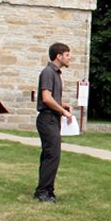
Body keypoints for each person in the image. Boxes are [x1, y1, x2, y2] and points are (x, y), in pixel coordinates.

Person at [34, 42, 74, 202]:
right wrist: (63, 111)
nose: (70, 58)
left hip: (52, 118)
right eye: (67, 55)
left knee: (51, 155)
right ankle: (43, 192)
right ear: (59, 56)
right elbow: (46, 98)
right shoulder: (48, 72)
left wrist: (63, 104)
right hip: (47, 119)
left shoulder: (56, 74)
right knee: (52, 155)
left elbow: (52, 98)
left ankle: (47, 190)